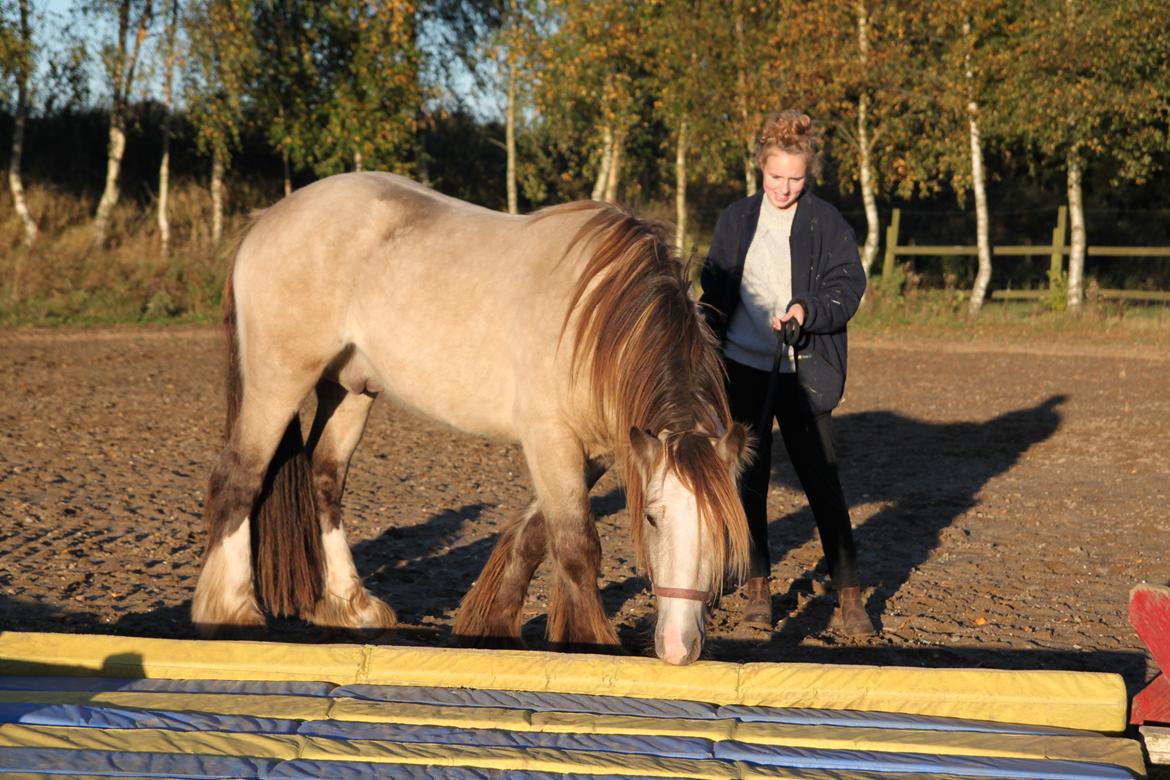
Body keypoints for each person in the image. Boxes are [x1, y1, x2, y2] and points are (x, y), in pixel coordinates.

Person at [699, 110, 875, 637]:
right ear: (761, 169)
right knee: (749, 484)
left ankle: (848, 596)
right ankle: (757, 590)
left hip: (802, 371)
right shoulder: (735, 219)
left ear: (808, 173)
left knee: (823, 483)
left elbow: (848, 286)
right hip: (744, 369)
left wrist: (806, 312)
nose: (784, 187)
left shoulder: (826, 222)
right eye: (776, 177)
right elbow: (716, 288)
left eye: (795, 178)